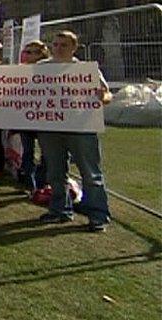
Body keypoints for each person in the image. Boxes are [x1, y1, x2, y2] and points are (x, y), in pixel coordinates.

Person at [38, 31, 113, 232]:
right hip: (50, 128)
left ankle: (98, 215)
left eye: (63, 45)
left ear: (74, 48)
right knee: (55, 171)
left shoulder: (86, 70)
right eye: (55, 44)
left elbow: (107, 94)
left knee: (90, 173)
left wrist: (101, 98)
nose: (58, 48)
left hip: (81, 127)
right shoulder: (40, 69)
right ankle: (60, 210)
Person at [17, 41, 50, 191]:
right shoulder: (19, 71)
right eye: (26, 51)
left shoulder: (50, 70)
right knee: (28, 152)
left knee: (46, 153)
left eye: (31, 52)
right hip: (25, 118)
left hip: (44, 119)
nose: (27, 54)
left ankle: (42, 183)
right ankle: (30, 185)